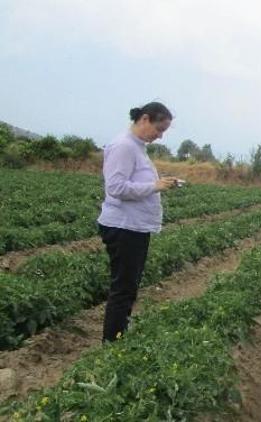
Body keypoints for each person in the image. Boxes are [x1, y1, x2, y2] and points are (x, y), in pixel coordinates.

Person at [97, 102, 181, 342]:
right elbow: (115, 187)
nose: (160, 135)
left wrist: (160, 183)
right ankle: (112, 343)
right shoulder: (124, 146)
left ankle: (118, 334)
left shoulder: (136, 147)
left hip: (133, 227)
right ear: (145, 119)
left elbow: (134, 181)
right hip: (123, 227)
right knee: (123, 289)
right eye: (159, 128)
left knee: (128, 287)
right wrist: (155, 186)